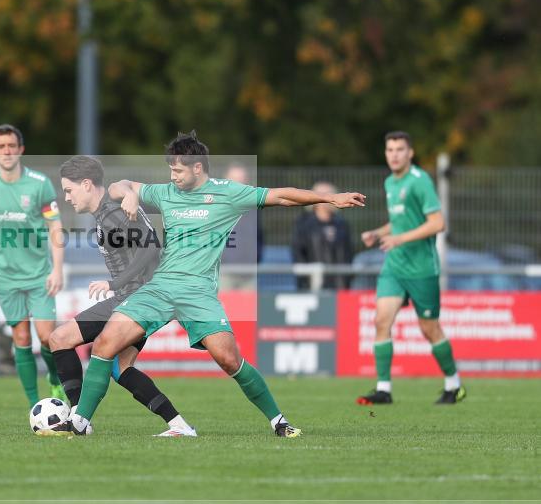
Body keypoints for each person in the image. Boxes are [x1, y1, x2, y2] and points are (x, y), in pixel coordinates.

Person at [50, 131, 365, 437]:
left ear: (197, 167)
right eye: (170, 170)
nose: (172, 176)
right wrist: (131, 193)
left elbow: (280, 195)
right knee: (105, 344)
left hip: (198, 292)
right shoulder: (165, 193)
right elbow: (119, 185)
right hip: (160, 287)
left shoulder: (228, 193)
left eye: (178, 170)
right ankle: (79, 422)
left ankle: (278, 421)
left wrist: (328, 198)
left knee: (230, 360)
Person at [48, 155, 196, 437]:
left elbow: (150, 248)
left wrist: (116, 283)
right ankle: (178, 425)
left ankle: (79, 417)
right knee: (121, 367)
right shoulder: (109, 211)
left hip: (136, 297)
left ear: (87, 184)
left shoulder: (112, 213)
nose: (66, 197)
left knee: (60, 338)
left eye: (69, 189)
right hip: (144, 297)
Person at [357, 131, 465, 406]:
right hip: (394, 267)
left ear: (410, 153)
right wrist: (378, 233)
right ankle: (383, 389)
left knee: (429, 328)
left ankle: (454, 384)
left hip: (421, 268)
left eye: (399, 149)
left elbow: (437, 223)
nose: (394, 154)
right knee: (381, 320)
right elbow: (400, 221)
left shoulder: (420, 182)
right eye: (390, 149)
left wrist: (399, 239)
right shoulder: (390, 182)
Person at [0, 124, 65, 406]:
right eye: (2, 147)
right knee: (21, 336)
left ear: (20, 149)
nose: (7, 151)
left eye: (12, 146)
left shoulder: (39, 183)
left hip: (39, 274)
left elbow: (54, 224)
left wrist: (57, 268)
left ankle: (55, 381)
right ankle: (34, 404)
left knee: (47, 337)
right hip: (5, 275)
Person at [291, 181, 354, 290]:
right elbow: (298, 253)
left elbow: (348, 252)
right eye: (323, 194)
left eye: (330, 194)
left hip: (339, 285)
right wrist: (306, 280)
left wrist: (346, 278)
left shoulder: (341, 224)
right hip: (313, 285)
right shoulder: (304, 224)